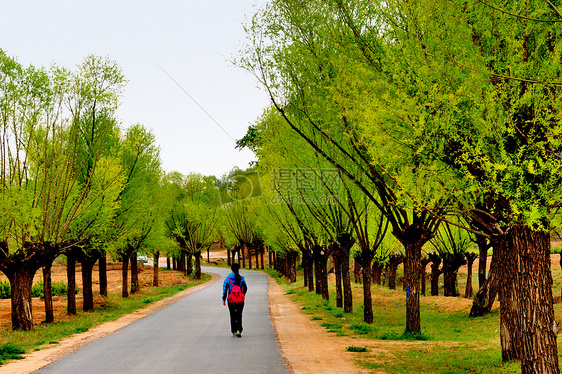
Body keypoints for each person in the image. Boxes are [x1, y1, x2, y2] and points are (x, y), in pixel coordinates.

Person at [222, 263, 248, 337]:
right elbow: (245, 288)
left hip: (231, 300)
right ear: (238, 269)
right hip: (240, 300)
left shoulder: (228, 278)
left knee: (232, 315)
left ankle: (234, 330)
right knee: (239, 315)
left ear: (231, 269)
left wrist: (223, 299)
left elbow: (224, 289)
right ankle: (239, 330)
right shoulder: (241, 278)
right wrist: (243, 295)